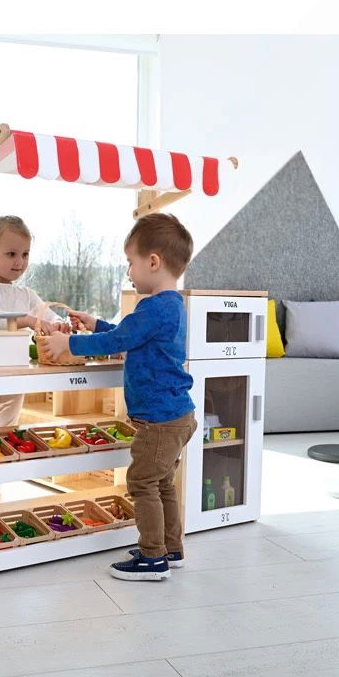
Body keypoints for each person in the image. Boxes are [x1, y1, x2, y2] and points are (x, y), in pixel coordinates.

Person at [39, 212, 196, 581]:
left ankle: (153, 558)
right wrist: (95, 324)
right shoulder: (170, 305)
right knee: (161, 483)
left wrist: (68, 344)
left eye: (130, 262)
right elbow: (129, 334)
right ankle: (170, 548)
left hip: (159, 420)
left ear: (153, 262)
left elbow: (120, 340)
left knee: (142, 483)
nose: (129, 272)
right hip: (176, 415)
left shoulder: (154, 306)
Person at [0, 215, 66, 508]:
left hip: (14, 384)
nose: (20, 262)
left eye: (25, 254)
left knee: (4, 442)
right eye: (11, 254)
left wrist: (59, 325)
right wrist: (26, 320)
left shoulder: (26, 294)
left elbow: (47, 315)